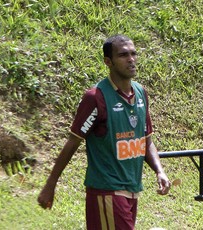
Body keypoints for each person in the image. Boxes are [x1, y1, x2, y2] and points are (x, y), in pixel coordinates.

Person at [37, 34, 171, 230]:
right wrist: (51, 184)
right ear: (108, 61)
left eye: (133, 53)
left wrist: (160, 171)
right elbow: (73, 142)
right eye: (123, 55)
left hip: (132, 191)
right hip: (106, 192)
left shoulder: (141, 93)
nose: (131, 59)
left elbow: (146, 141)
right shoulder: (96, 97)